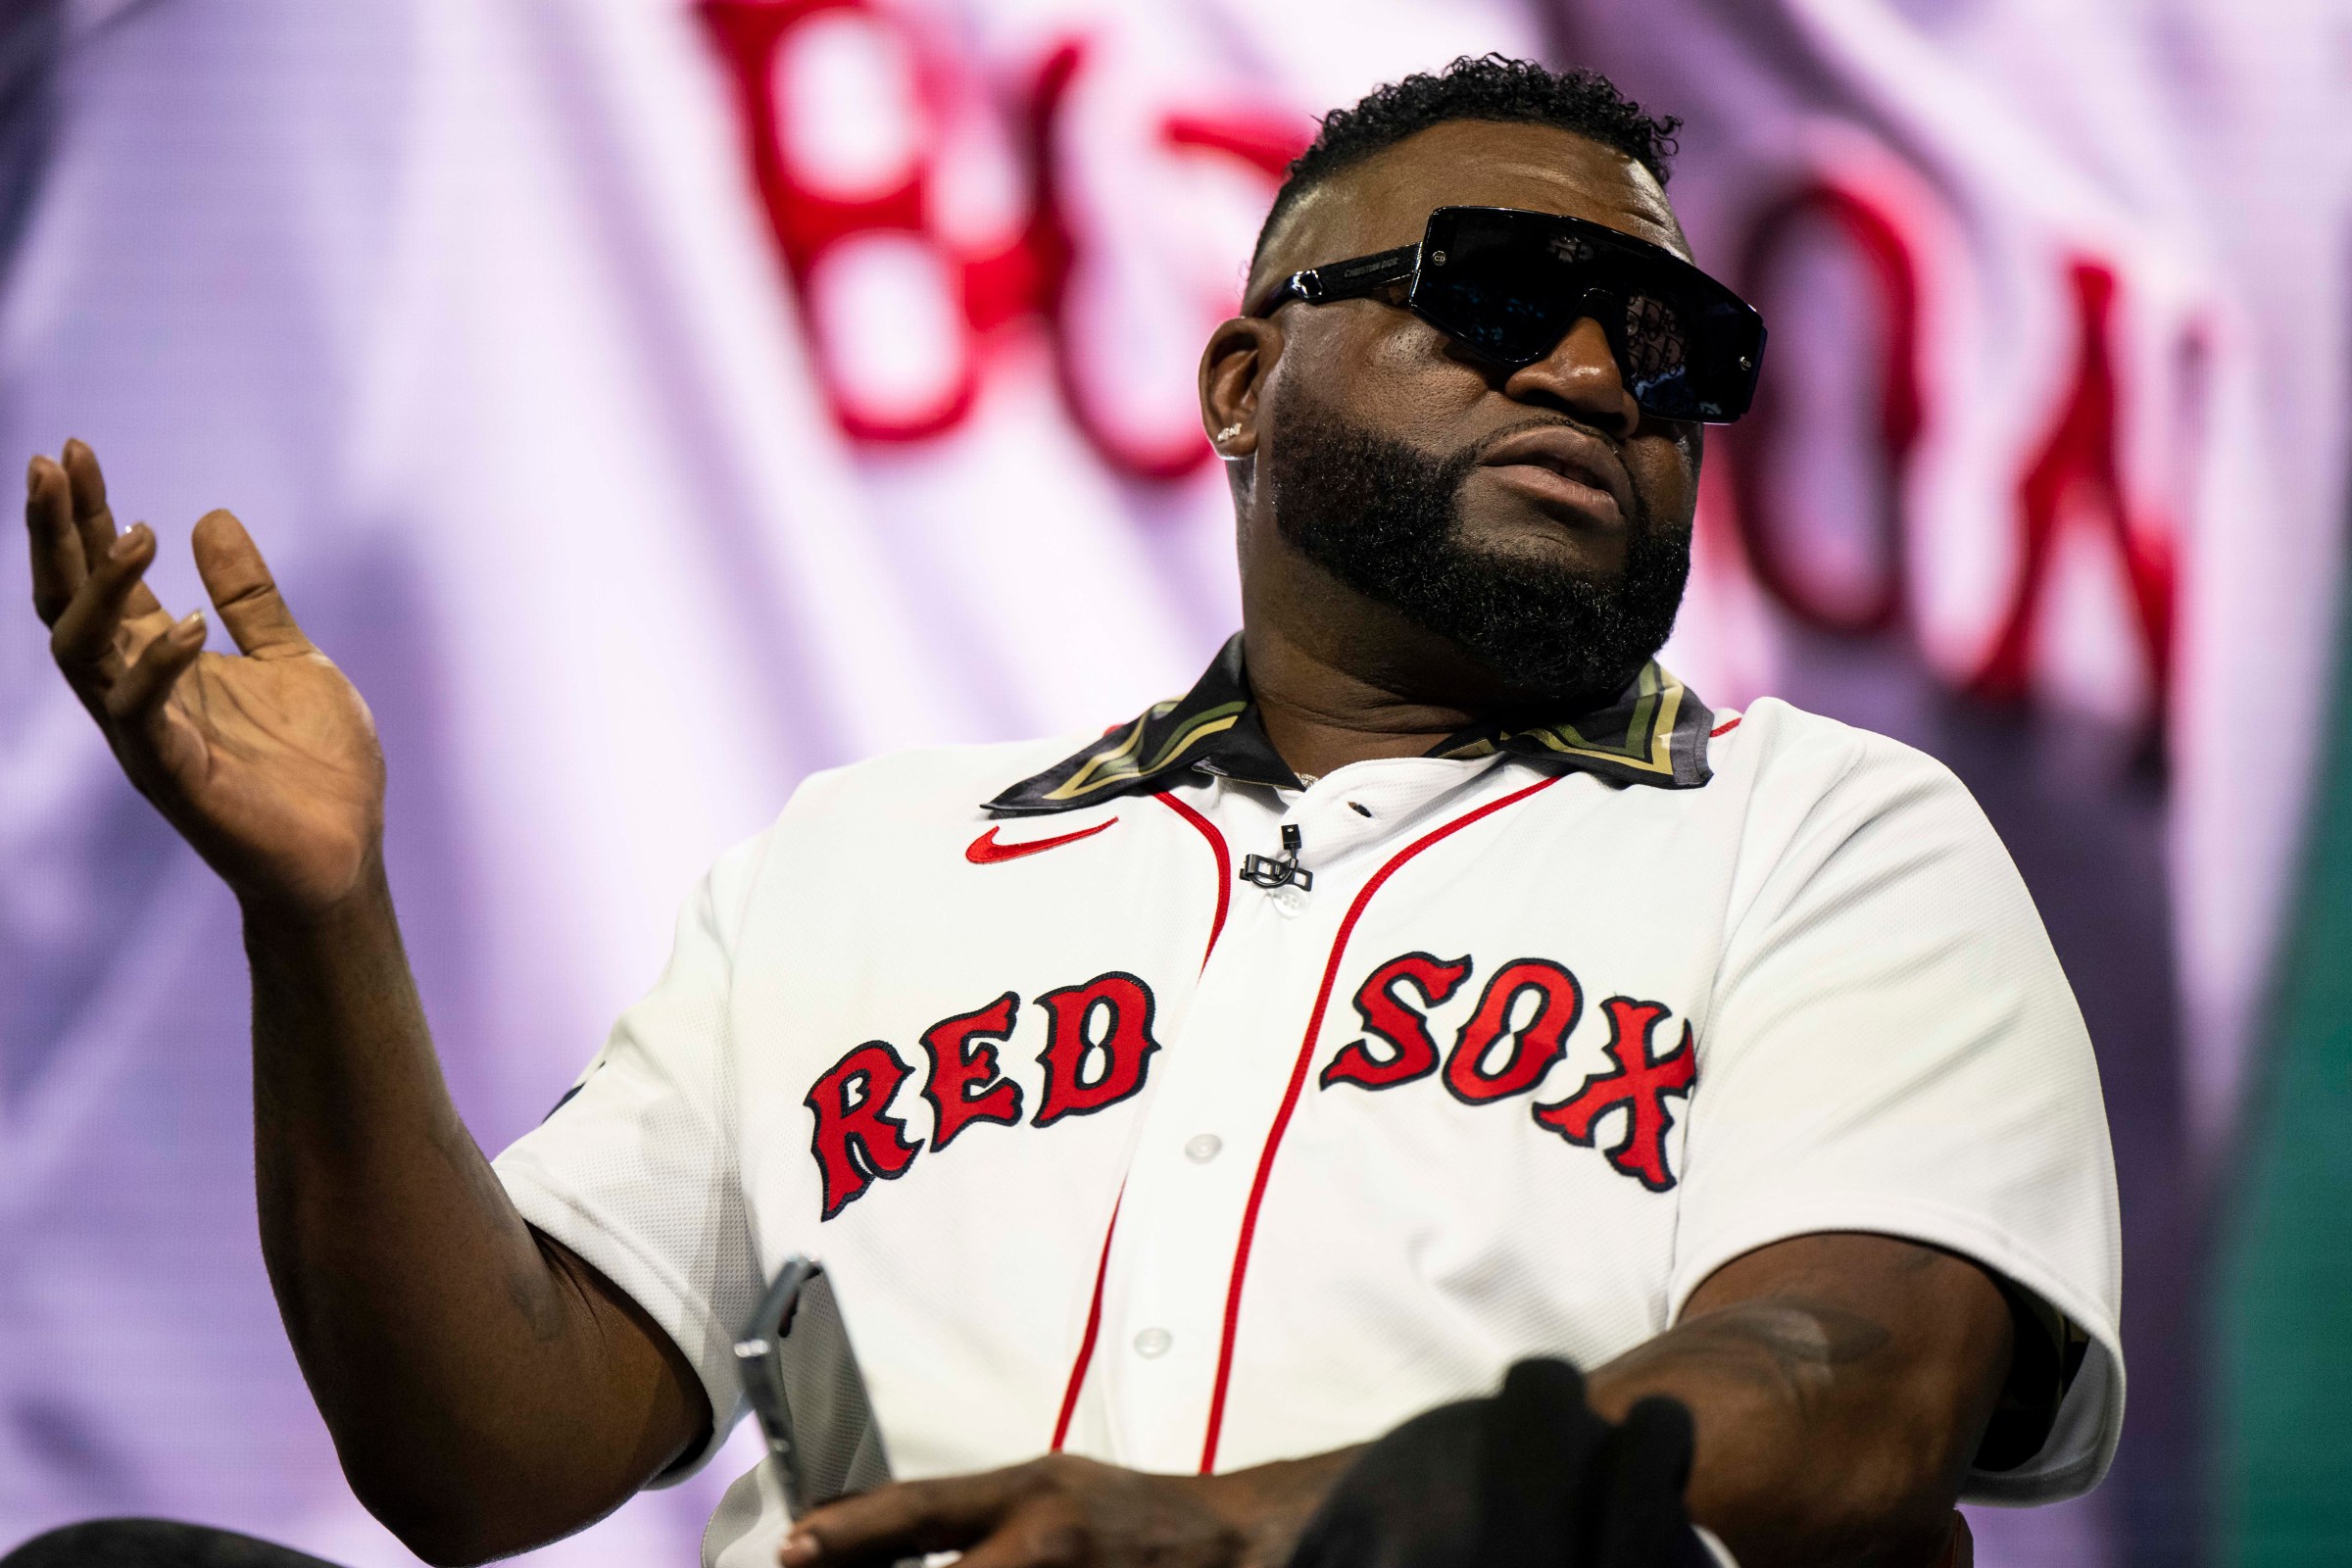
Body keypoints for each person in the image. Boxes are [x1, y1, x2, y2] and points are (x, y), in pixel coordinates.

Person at [12, 54, 2118, 1568]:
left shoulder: (1823, 831)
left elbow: (1855, 1378)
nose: (1588, 372)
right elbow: (484, 1450)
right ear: (1239, 387)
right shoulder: (873, 854)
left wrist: (1228, 1537)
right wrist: (323, 908)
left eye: (1671, 347)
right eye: (1492, 291)